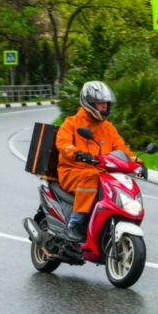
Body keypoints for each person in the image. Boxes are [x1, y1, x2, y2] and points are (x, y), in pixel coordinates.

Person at [55, 81, 138, 242]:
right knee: (91, 177)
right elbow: (62, 144)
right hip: (72, 171)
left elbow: (123, 150)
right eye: (100, 104)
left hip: (99, 172)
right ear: (89, 103)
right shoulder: (71, 123)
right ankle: (75, 223)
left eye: (106, 104)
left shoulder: (108, 128)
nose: (104, 107)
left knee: (117, 184)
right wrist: (77, 153)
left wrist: (137, 163)